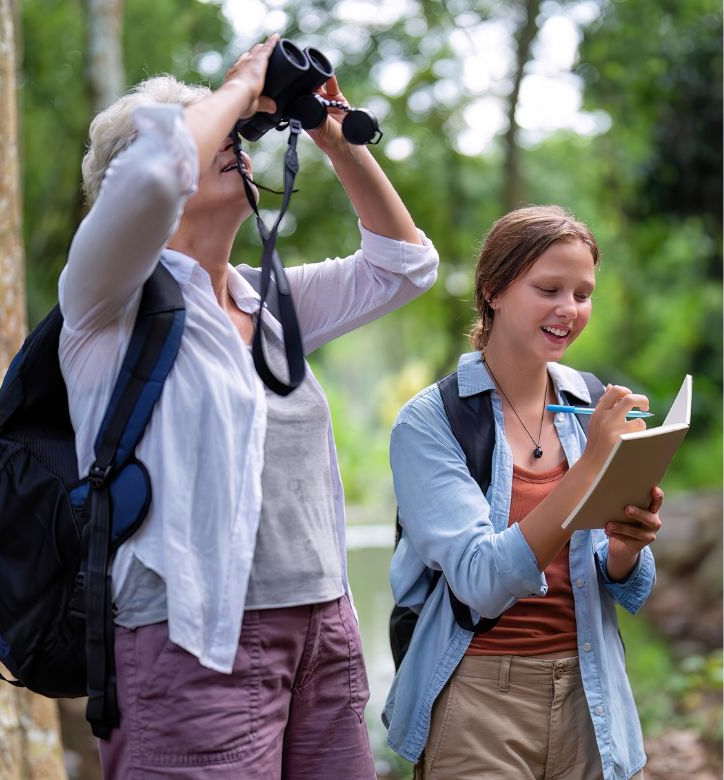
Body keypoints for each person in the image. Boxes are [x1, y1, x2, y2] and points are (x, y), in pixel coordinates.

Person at [59, 35, 438, 779]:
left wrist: (332, 130)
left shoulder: (267, 300)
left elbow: (406, 266)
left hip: (322, 631)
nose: (239, 140)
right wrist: (236, 86)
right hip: (193, 640)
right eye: (217, 132)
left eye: (239, 130)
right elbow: (155, 174)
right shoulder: (106, 300)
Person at [383, 205, 661, 780]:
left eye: (583, 294)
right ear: (493, 291)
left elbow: (625, 583)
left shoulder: (588, 404)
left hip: (592, 690)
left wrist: (627, 546)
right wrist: (589, 471)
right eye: (549, 289)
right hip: (478, 700)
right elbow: (481, 582)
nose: (569, 310)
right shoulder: (430, 422)